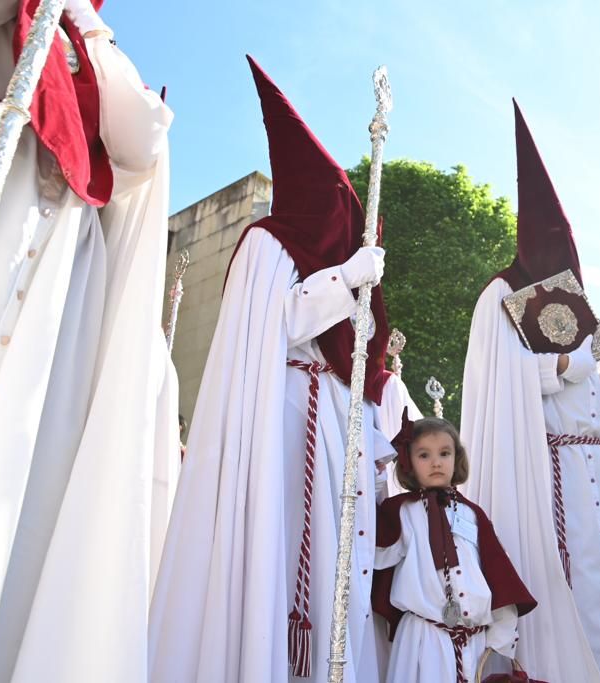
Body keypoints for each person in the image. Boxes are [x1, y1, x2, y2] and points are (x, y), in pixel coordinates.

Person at [0, 1, 178, 680]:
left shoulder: (95, 48)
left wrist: (84, 27)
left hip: (60, 269)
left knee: (13, 477)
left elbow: (141, 139)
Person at [149, 56, 414, 683]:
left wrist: (372, 430)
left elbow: (358, 357)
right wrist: (345, 279)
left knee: (333, 552)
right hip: (284, 410)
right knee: (282, 536)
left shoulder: (331, 261)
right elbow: (281, 323)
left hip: (332, 428)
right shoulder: (266, 244)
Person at [460, 100, 600, 683]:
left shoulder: (576, 303)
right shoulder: (500, 293)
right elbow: (498, 385)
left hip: (596, 472)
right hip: (546, 474)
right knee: (567, 591)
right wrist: (563, 365)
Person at [373, 413, 536, 683]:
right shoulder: (401, 512)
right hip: (424, 638)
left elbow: (496, 571)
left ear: (456, 458)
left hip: (475, 642)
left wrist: (501, 632)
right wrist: (373, 480)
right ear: (408, 462)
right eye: (424, 455)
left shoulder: (473, 514)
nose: (436, 462)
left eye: (444, 453)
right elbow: (378, 555)